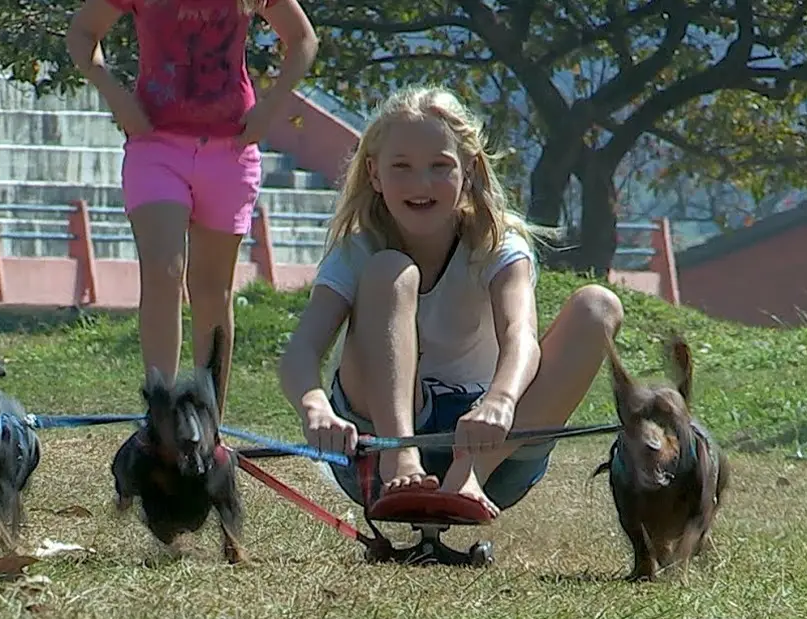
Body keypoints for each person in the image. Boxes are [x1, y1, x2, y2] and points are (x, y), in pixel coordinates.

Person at [278, 85, 625, 520]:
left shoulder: (499, 243)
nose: (420, 184)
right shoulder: (357, 250)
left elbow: (521, 335)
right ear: (374, 173)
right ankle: (400, 458)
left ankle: (468, 475)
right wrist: (315, 410)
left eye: (440, 166)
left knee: (598, 306)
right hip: (376, 452)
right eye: (400, 166)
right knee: (390, 270)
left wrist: (499, 400)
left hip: (493, 446)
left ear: (470, 170)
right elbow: (301, 351)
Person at [66, 0, 318, 418]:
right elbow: (81, 33)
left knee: (212, 293)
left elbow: (302, 39)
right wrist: (116, 96)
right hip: (156, 146)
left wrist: (271, 106)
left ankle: (208, 422)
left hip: (231, 151)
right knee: (164, 272)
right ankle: (160, 414)